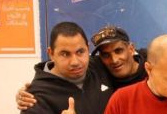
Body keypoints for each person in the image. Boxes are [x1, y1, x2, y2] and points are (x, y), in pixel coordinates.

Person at [16, 25, 147, 108]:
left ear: (131, 49)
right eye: (106, 54)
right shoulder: (98, 67)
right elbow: (59, 71)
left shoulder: (152, 65)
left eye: (118, 51)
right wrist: (35, 91)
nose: (114, 60)